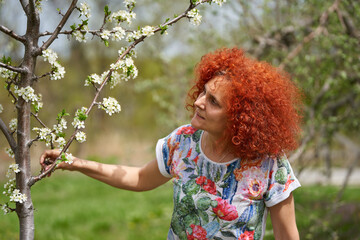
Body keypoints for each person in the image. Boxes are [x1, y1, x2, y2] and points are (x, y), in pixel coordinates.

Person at [40, 47, 303, 240]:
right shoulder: (182, 142)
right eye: (204, 91)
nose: (199, 101)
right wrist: (75, 163)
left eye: (213, 101)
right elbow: (140, 178)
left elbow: (287, 236)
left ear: (239, 119)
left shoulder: (269, 163)